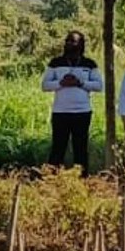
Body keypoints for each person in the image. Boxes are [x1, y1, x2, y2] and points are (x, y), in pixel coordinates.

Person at [41, 31, 103, 174]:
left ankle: (82, 179)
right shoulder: (56, 63)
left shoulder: (89, 64)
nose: (69, 43)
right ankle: (51, 178)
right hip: (60, 112)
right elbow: (45, 85)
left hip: (82, 112)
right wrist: (61, 83)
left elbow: (99, 86)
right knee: (58, 147)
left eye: (73, 41)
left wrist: (80, 83)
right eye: (67, 40)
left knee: (80, 148)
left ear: (81, 44)